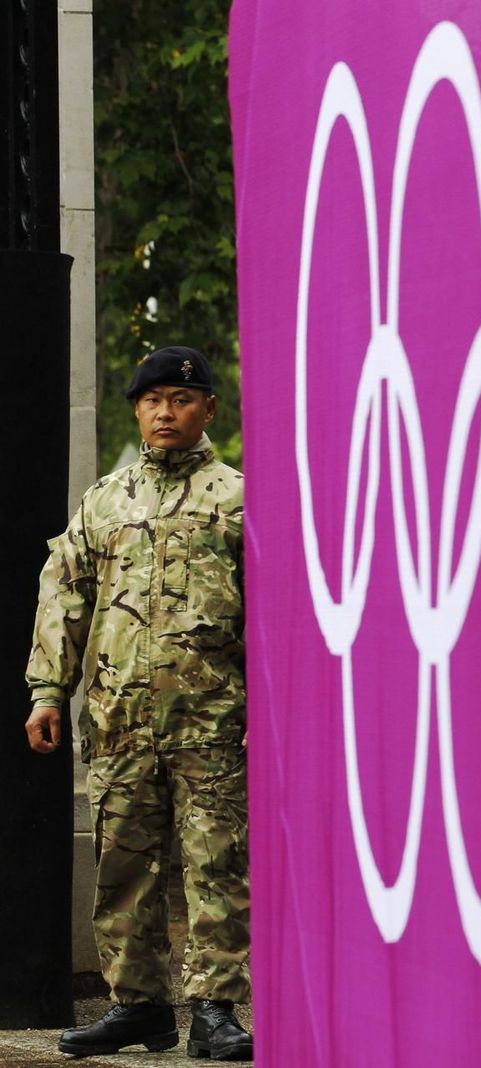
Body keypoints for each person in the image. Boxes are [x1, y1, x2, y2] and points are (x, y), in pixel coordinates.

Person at [25, 346, 252, 1062]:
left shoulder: (240, 498)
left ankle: (215, 1011)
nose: (165, 411)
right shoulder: (106, 500)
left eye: (181, 400)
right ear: (136, 409)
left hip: (215, 721)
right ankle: (140, 1007)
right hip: (120, 721)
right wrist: (46, 689)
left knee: (217, 865)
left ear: (207, 410)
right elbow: (63, 592)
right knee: (126, 869)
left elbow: (280, 614)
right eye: (152, 399)